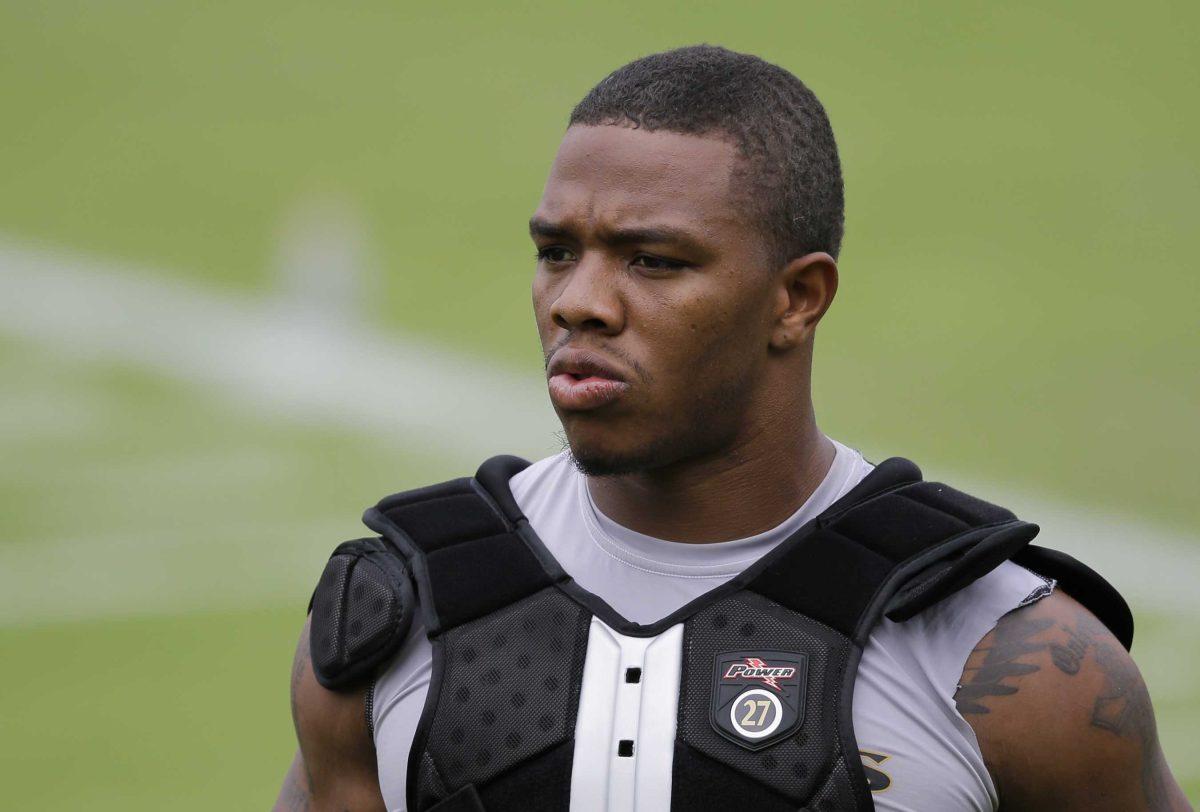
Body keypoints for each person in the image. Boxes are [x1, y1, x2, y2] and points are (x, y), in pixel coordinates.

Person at [274, 45, 1189, 811]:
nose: (579, 303)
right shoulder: (396, 619)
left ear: (797, 299)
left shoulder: (1014, 666)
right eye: (557, 252)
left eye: (654, 261)